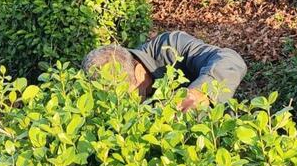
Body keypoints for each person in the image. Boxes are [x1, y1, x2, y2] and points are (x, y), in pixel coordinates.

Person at [82, 30, 247, 112]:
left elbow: (231, 60)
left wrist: (200, 92)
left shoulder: (169, 47)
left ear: (139, 72)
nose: (122, 105)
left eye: (125, 95)